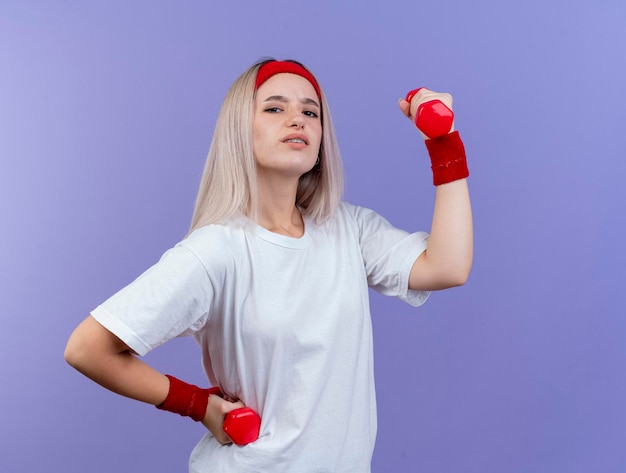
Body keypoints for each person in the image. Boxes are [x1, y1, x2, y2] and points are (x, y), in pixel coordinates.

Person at [64, 58, 473, 472]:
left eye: (310, 112)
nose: (297, 119)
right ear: (241, 129)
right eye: (275, 108)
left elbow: (448, 267)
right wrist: (199, 404)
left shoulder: (348, 230)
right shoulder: (217, 251)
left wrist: (444, 143)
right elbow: (88, 349)